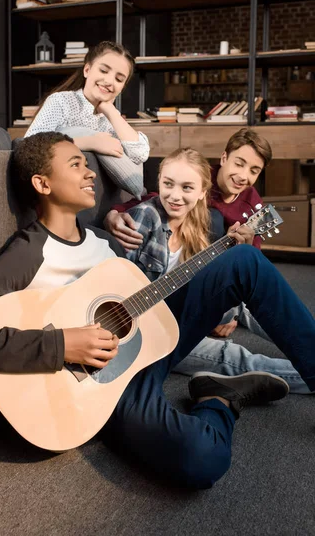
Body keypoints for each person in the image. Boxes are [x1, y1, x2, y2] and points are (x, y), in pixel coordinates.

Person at [0, 132, 315, 490]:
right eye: (76, 164)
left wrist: (211, 300)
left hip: (146, 346)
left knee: (243, 260)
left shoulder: (103, 241)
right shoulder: (29, 251)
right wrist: (62, 344)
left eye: (87, 162)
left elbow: (143, 299)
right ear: (42, 184)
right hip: (102, 388)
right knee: (203, 460)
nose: (90, 171)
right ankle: (220, 399)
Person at [107, 143, 312, 395]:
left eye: (187, 188)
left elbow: (208, 302)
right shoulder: (145, 217)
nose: (174, 195)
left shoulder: (200, 226)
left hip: (178, 314)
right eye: (168, 184)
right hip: (147, 333)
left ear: (203, 192)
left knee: (247, 306)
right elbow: (114, 292)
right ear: (158, 182)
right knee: (234, 357)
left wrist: (224, 312)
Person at [24, 40, 149, 197]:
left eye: (119, 79)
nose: (109, 81)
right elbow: (29, 145)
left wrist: (110, 111)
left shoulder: (110, 119)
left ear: (122, 88)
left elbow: (139, 155)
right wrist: (91, 142)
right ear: (87, 70)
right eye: (103, 71)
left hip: (98, 198)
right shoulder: (61, 101)